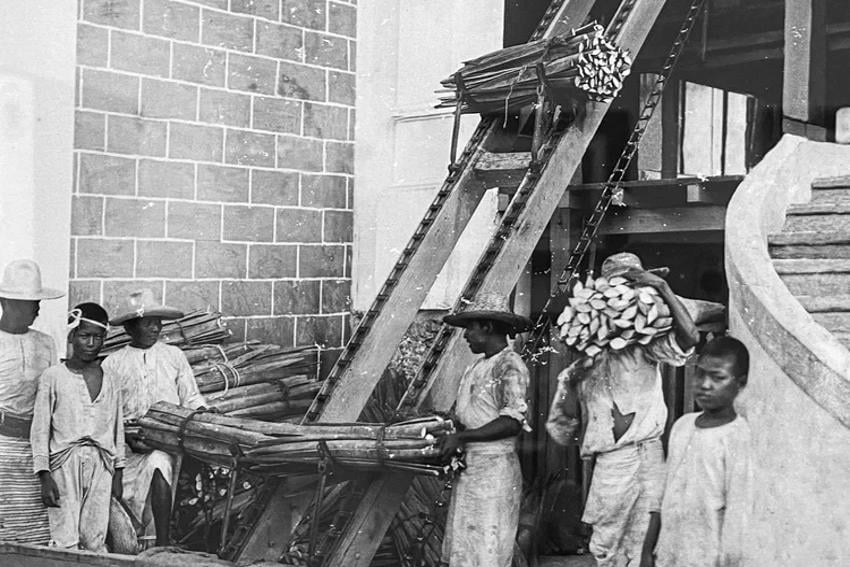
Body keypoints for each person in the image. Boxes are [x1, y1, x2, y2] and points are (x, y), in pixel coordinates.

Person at [546, 252, 700, 566]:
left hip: (649, 454)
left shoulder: (648, 349)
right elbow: (562, 430)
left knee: (649, 543)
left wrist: (661, 288)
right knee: (607, 547)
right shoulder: (579, 367)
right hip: (611, 464)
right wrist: (575, 385)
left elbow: (690, 337)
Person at [102, 289, 205, 548]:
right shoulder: (113, 363)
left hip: (164, 438)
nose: (155, 328)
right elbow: (106, 411)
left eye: (157, 322)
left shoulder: (173, 356)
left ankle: (162, 542)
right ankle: (128, 545)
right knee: (125, 497)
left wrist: (204, 414)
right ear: (130, 328)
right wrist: (126, 436)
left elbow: (191, 397)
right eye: (147, 322)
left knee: (159, 465)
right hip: (125, 443)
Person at [437, 293, 533, 567]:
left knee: (486, 552)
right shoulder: (477, 367)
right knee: (465, 551)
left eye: (471, 328)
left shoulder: (509, 365)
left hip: (494, 473)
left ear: (488, 327)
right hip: (472, 471)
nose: (466, 336)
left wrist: (462, 437)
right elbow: (469, 415)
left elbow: (512, 420)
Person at [640, 336, 752, 567]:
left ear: (739, 384)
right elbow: (661, 494)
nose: (705, 384)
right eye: (700, 374)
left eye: (718, 377)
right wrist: (648, 550)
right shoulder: (682, 426)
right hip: (668, 553)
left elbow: (738, 513)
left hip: (706, 557)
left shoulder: (738, 436)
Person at [31, 303, 125, 551]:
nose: (91, 343)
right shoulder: (54, 377)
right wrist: (44, 475)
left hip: (102, 465)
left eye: (98, 337)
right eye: (85, 336)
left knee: (95, 537)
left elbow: (118, 428)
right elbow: (40, 429)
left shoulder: (111, 378)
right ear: (72, 336)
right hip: (64, 464)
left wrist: (118, 471)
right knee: (64, 537)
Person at [0, 259, 64, 544]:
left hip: (36, 449)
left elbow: (54, 397)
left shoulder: (46, 343)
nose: (36, 308)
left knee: (35, 530)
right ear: (6, 302)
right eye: (28, 302)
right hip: (1, 447)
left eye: (37, 301)